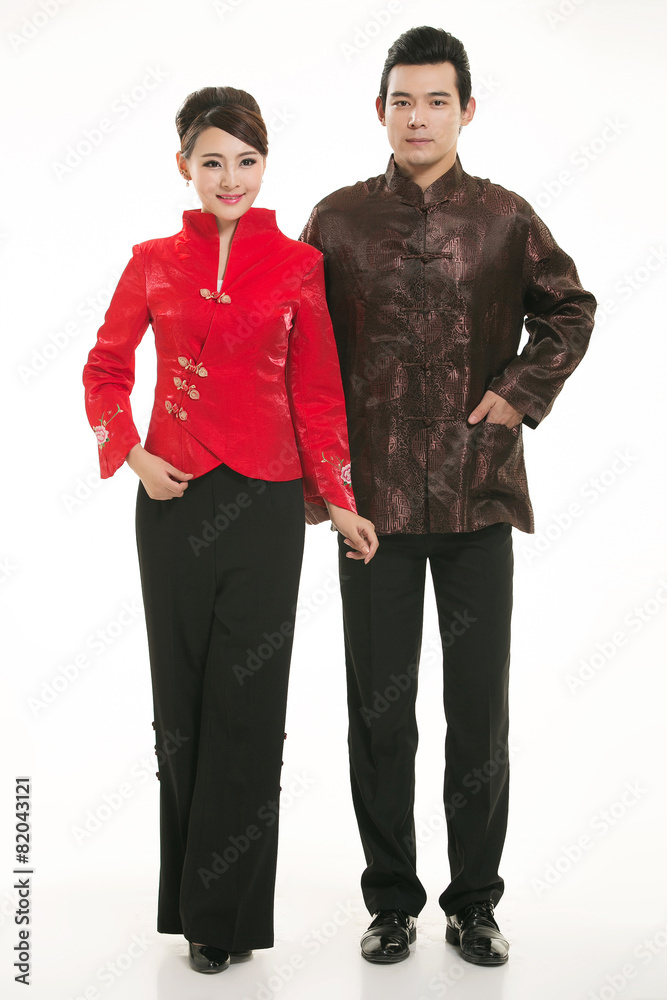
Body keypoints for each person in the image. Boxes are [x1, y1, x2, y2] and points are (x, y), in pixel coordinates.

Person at [300, 27, 596, 967]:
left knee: (477, 714)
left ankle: (474, 904)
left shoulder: (504, 218)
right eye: (402, 100)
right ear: (379, 111)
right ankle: (391, 901)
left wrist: (517, 391)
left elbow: (570, 309)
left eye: (436, 101)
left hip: (476, 500)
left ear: (466, 110)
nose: (417, 117)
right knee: (380, 714)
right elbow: (297, 351)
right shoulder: (338, 221)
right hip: (371, 512)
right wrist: (322, 485)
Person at [82, 85, 378, 975]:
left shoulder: (296, 266)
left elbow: (316, 393)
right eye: (212, 161)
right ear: (184, 165)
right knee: (180, 706)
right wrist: (131, 453)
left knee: (248, 710)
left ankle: (226, 917)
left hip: (265, 508)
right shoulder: (151, 262)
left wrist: (338, 496)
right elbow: (104, 368)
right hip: (171, 501)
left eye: (246, 160)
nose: (230, 177)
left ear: (264, 164)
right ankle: (186, 904)